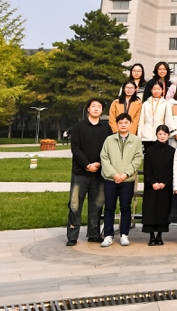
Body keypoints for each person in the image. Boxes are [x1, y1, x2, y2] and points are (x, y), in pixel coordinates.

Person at [66, 98, 112, 246]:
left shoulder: (106, 128)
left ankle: (94, 234)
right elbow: (76, 149)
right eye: (93, 106)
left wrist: (98, 163)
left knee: (97, 204)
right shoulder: (78, 127)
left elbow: (108, 149)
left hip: (99, 173)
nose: (96, 109)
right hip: (80, 173)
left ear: (102, 110)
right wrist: (87, 165)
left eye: (99, 107)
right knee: (74, 205)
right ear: (88, 109)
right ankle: (72, 236)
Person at [99, 113, 143, 247]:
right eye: (120, 123)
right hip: (110, 179)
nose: (123, 125)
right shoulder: (109, 140)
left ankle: (124, 234)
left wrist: (125, 174)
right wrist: (114, 174)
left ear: (130, 124)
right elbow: (104, 158)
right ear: (117, 124)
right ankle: (108, 235)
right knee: (109, 207)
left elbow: (137, 158)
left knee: (125, 207)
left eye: (126, 122)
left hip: (127, 180)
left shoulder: (136, 140)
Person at [141, 124, 174, 246]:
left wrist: (165, 182)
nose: (162, 136)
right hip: (152, 186)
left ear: (168, 135)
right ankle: (151, 236)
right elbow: (147, 169)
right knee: (150, 210)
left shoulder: (172, 151)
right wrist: (153, 182)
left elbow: (172, 170)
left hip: (165, 187)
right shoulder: (149, 151)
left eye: (165, 134)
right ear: (156, 135)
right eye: (160, 134)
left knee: (162, 210)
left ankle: (160, 236)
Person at [139, 82, 171, 151]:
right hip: (146, 135)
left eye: (159, 89)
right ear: (151, 90)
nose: (156, 91)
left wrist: (167, 134)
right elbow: (141, 121)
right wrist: (139, 135)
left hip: (160, 135)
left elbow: (168, 120)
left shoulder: (165, 103)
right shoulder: (145, 104)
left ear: (162, 90)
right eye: (154, 89)